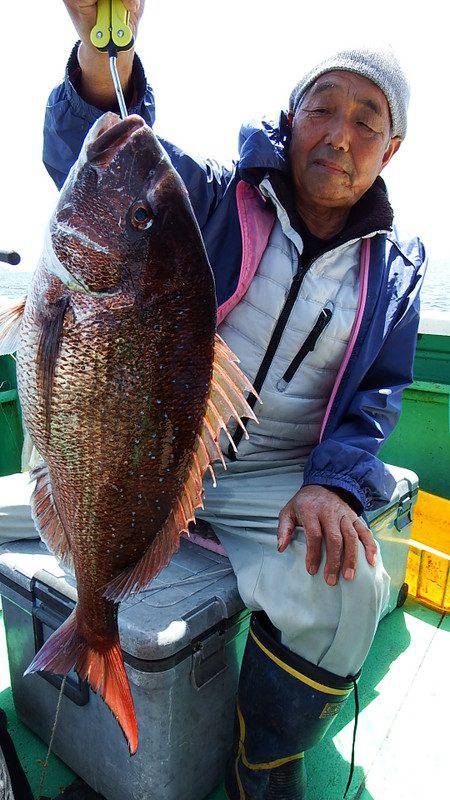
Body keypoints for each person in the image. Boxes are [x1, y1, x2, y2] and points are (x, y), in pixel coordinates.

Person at [32, 2, 426, 798]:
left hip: (273, 481)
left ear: (393, 147)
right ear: (291, 117)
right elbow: (103, 139)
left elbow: (377, 396)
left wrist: (334, 481)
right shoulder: (212, 196)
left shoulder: (399, 272)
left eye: (366, 119)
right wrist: (103, 44)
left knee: (352, 589)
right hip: (148, 456)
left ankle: (264, 762)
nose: (339, 135)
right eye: (321, 108)